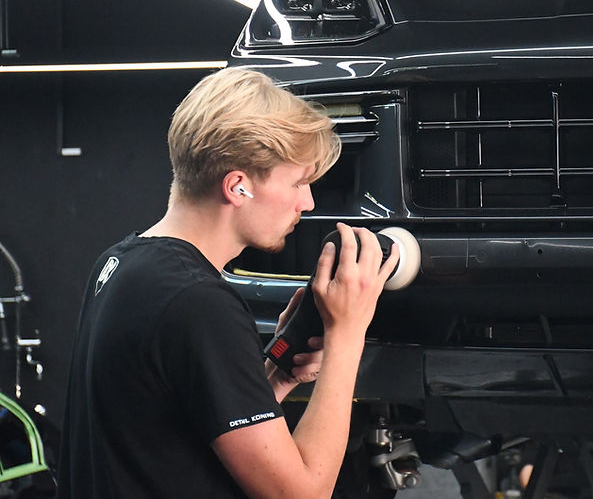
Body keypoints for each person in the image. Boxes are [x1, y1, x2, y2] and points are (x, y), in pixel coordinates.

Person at [57, 67, 399, 499]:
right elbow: (303, 494)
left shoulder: (121, 264)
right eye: (298, 182)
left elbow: (173, 438)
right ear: (238, 187)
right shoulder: (199, 302)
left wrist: (275, 377)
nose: (307, 202)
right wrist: (347, 332)